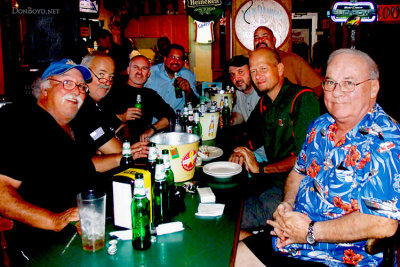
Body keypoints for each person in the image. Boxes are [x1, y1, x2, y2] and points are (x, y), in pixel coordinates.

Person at [235, 48, 400, 267]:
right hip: (294, 241)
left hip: (339, 257)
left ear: (373, 88)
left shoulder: (385, 140)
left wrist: (311, 231)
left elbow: (383, 223)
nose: (336, 91)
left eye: (349, 83)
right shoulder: (321, 126)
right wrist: (287, 204)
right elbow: (297, 173)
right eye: (330, 82)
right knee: (231, 256)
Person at [0, 59, 96, 262]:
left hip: (81, 236)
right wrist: (54, 220)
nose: (77, 91)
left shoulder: (70, 128)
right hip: (42, 248)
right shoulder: (22, 122)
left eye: (81, 86)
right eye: (67, 82)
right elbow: (2, 192)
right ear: (44, 89)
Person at [229, 47, 320, 229]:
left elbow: (304, 158)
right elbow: (251, 137)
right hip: (268, 182)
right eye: (253, 71)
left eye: (263, 69)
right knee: (226, 202)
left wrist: (261, 169)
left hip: (293, 190)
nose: (257, 76)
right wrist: (240, 151)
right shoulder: (264, 103)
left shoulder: (302, 98)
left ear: (279, 69)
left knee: (230, 220)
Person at [71, 53, 148, 172]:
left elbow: (120, 127)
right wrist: (127, 148)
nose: (107, 82)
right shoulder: (83, 107)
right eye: (101, 74)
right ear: (84, 74)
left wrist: (119, 141)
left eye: (111, 77)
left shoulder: (99, 103)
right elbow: (117, 151)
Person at [107, 55, 175, 143]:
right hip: (115, 147)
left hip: (141, 148)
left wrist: (152, 129)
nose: (139, 72)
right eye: (135, 67)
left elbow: (171, 116)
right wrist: (121, 117)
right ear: (128, 70)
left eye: (144, 68)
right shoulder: (112, 90)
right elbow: (97, 119)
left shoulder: (150, 95)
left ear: (148, 74)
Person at [253, 26, 324, 97]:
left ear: (274, 40)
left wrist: (301, 104)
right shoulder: (252, 65)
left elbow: (317, 86)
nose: (260, 40)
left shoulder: (290, 59)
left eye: (265, 36)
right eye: (256, 38)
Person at [144, 43, 199, 112]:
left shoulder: (188, 75)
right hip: (153, 121)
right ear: (165, 58)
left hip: (177, 120)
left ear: (183, 61)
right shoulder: (151, 72)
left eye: (179, 58)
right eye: (172, 57)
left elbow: (195, 104)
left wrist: (188, 91)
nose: (176, 61)